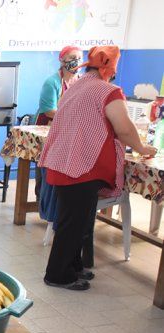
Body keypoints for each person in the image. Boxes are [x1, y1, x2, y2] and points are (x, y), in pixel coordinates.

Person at [39, 46, 156, 291]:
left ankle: (74, 267)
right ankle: (57, 275)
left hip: (64, 162)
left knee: (78, 221)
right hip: (82, 167)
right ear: (109, 68)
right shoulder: (109, 91)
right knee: (73, 224)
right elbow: (124, 129)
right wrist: (142, 149)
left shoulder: (76, 86)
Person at [35, 46, 82, 206]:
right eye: (72, 57)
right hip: (48, 127)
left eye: (79, 58)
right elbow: (49, 111)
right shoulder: (52, 82)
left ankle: (60, 202)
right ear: (62, 61)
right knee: (46, 164)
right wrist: (72, 117)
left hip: (68, 128)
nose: (76, 61)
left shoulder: (80, 82)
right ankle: (42, 200)